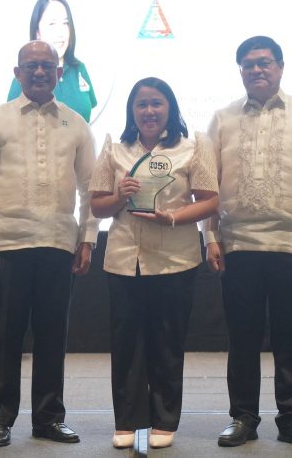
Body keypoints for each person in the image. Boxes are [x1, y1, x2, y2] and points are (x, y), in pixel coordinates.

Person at [205, 36, 292, 450]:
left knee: (290, 337)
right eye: (248, 65)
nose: (256, 70)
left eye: (264, 63)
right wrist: (210, 236)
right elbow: (208, 185)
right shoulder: (223, 118)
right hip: (239, 245)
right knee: (242, 337)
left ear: (280, 67)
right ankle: (243, 418)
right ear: (240, 71)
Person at [0, 40, 98, 448]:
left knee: (52, 337)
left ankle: (48, 419)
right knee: (5, 336)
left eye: (47, 66)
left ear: (59, 73)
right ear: (17, 73)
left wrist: (88, 238)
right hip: (8, 245)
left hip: (59, 244)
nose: (39, 72)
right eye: (31, 66)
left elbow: (91, 188)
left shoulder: (76, 124)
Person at [90, 77, 219, 450]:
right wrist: (119, 196)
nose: (149, 111)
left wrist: (173, 217)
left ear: (170, 108)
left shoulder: (192, 146)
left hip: (175, 260)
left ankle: (164, 420)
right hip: (124, 259)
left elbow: (211, 200)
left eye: (156, 103)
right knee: (126, 344)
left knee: (167, 342)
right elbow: (97, 206)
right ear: (132, 110)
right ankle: (127, 422)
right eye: (141, 104)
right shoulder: (115, 148)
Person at [7, 0, 97, 123]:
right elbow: (10, 124)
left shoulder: (79, 69)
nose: (61, 33)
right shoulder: (24, 75)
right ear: (37, 32)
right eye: (52, 24)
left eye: (65, 23)